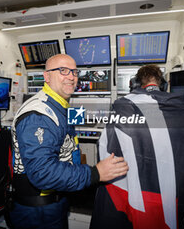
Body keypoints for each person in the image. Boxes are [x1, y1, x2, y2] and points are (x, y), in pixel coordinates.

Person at [10, 54, 129, 229]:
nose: (71, 77)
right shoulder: (38, 115)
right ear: (46, 76)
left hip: (56, 200)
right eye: (63, 71)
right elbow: (42, 173)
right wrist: (95, 173)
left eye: (74, 71)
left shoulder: (60, 104)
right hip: (38, 210)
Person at [90, 64, 184, 229]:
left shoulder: (123, 105)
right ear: (163, 85)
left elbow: (105, 148)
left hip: (133, 185)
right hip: (167, 189)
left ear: (135, 84)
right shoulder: (179, 106)